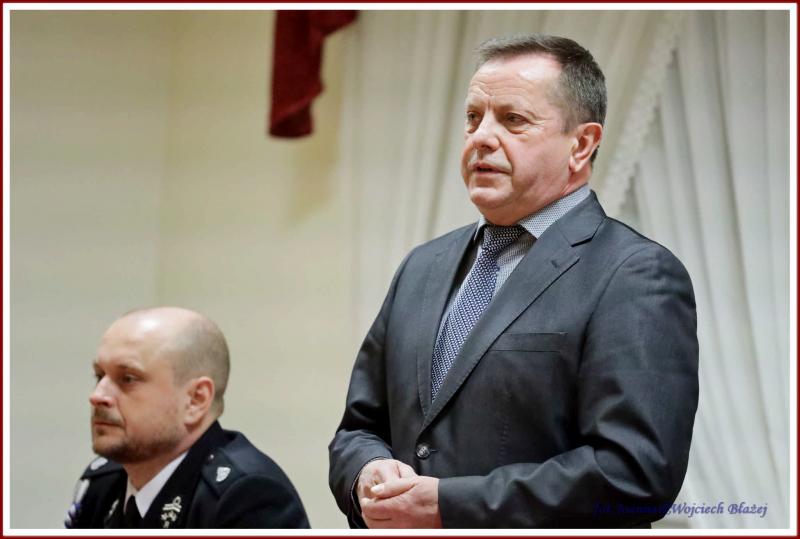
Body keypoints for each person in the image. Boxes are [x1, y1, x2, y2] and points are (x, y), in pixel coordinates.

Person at [328, 34, 699, 528]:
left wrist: (448, 505)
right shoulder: (423, 266)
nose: (481, 137)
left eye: (513, 120)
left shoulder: (633, 274)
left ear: (581, 144)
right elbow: (357, 429)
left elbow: (635, 474)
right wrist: (366, 474)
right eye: (472, 117)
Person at [66, 307, 310, 529]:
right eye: (99, 376)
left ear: (196, 399)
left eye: (128, 379)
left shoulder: (245, 498)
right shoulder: (103, 483)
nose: (97, 396)